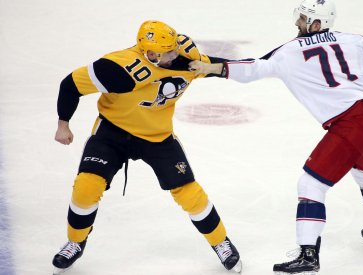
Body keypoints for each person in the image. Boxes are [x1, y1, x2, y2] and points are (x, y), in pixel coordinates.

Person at [189, 0, 363, 273]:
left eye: (303, 18)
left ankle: (308, 256)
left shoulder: (289, 52)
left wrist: (212, 68)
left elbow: (253, 68)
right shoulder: (355, 41)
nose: (297, 23)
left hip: (353, 125)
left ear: (316, 24)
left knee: (311, 185)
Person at [52, 20, 242, 274]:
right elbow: (70, 85)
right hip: (113, 132)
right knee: (87, 186)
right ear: (150, 53)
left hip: (157, 135)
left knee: (189, 192)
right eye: (168, 52)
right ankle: (75, 242)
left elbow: (220, 66)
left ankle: (222, 243)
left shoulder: (187, 58)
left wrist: (263, 66)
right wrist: (63, 124)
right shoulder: (118, 68)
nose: (176, 55)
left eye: (175, 48)